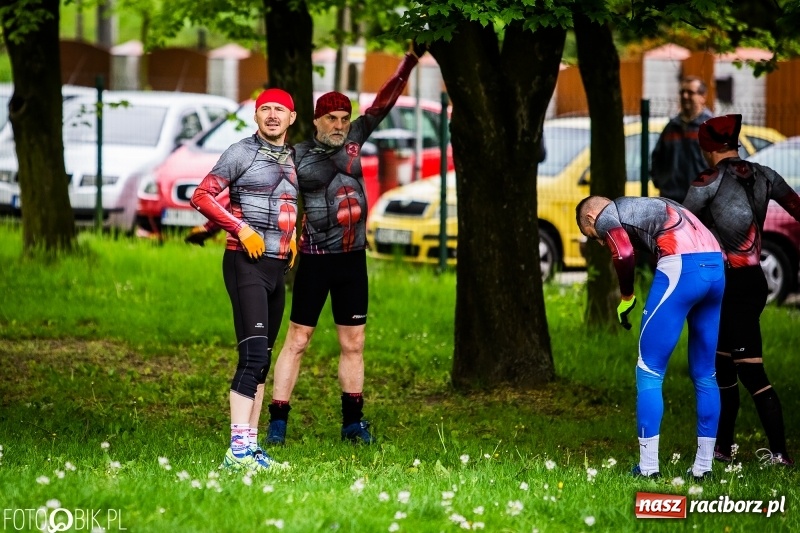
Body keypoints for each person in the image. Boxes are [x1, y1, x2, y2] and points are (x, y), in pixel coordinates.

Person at [265, 42, 427, 446]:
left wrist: (409, 60)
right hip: (316, 261)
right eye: (331, 118)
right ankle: (277, 424)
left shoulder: (356, 137)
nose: (338, 124)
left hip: (353, 260)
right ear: (316, 121)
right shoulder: (295, 156)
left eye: (343, 118)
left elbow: (384, 102)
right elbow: (264, 198)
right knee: (298, 340)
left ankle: (353, 424)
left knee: (353, 343)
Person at [576, 195, 725, 480]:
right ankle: (703, 469)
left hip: (682, 266)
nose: (599, 241)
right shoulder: (650, 204)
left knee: (649, 369)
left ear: (591, 219)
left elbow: (624, 253)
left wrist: (627, 295)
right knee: (706, 373)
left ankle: (647, 469)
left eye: (592, 236)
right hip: (715, 266)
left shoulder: (606, 214)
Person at [190, 88, 298, 471]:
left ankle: (250, 449)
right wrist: (241, 228)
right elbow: (202, 196)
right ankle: (236, 450)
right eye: (265, 109)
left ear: (291, 118)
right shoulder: (240, 152)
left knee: (263, 360)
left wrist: (295, 236)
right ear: (255, 116)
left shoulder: (293, 157)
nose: (272, 115)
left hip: (276, 268)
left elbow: (290, 204)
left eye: (279, 110)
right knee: (251, 356)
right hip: (244, 262)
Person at [683, 114, 800, 467]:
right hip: (754, 278)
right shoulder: (766, 174)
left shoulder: (707, 180)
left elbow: (681, 227)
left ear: (708, 147)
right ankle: (722, 448)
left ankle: (780, 454)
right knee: (723, 368)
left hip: (727, 282)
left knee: (750, 370)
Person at [650, 76, 714, 203]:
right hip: (671, 199)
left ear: (703, 97)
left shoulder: (711, 128)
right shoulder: (671, 127)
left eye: (690, 92)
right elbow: (657, 158)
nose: (685, 96)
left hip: (702, 200)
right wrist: (661, 183)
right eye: (682, 92)